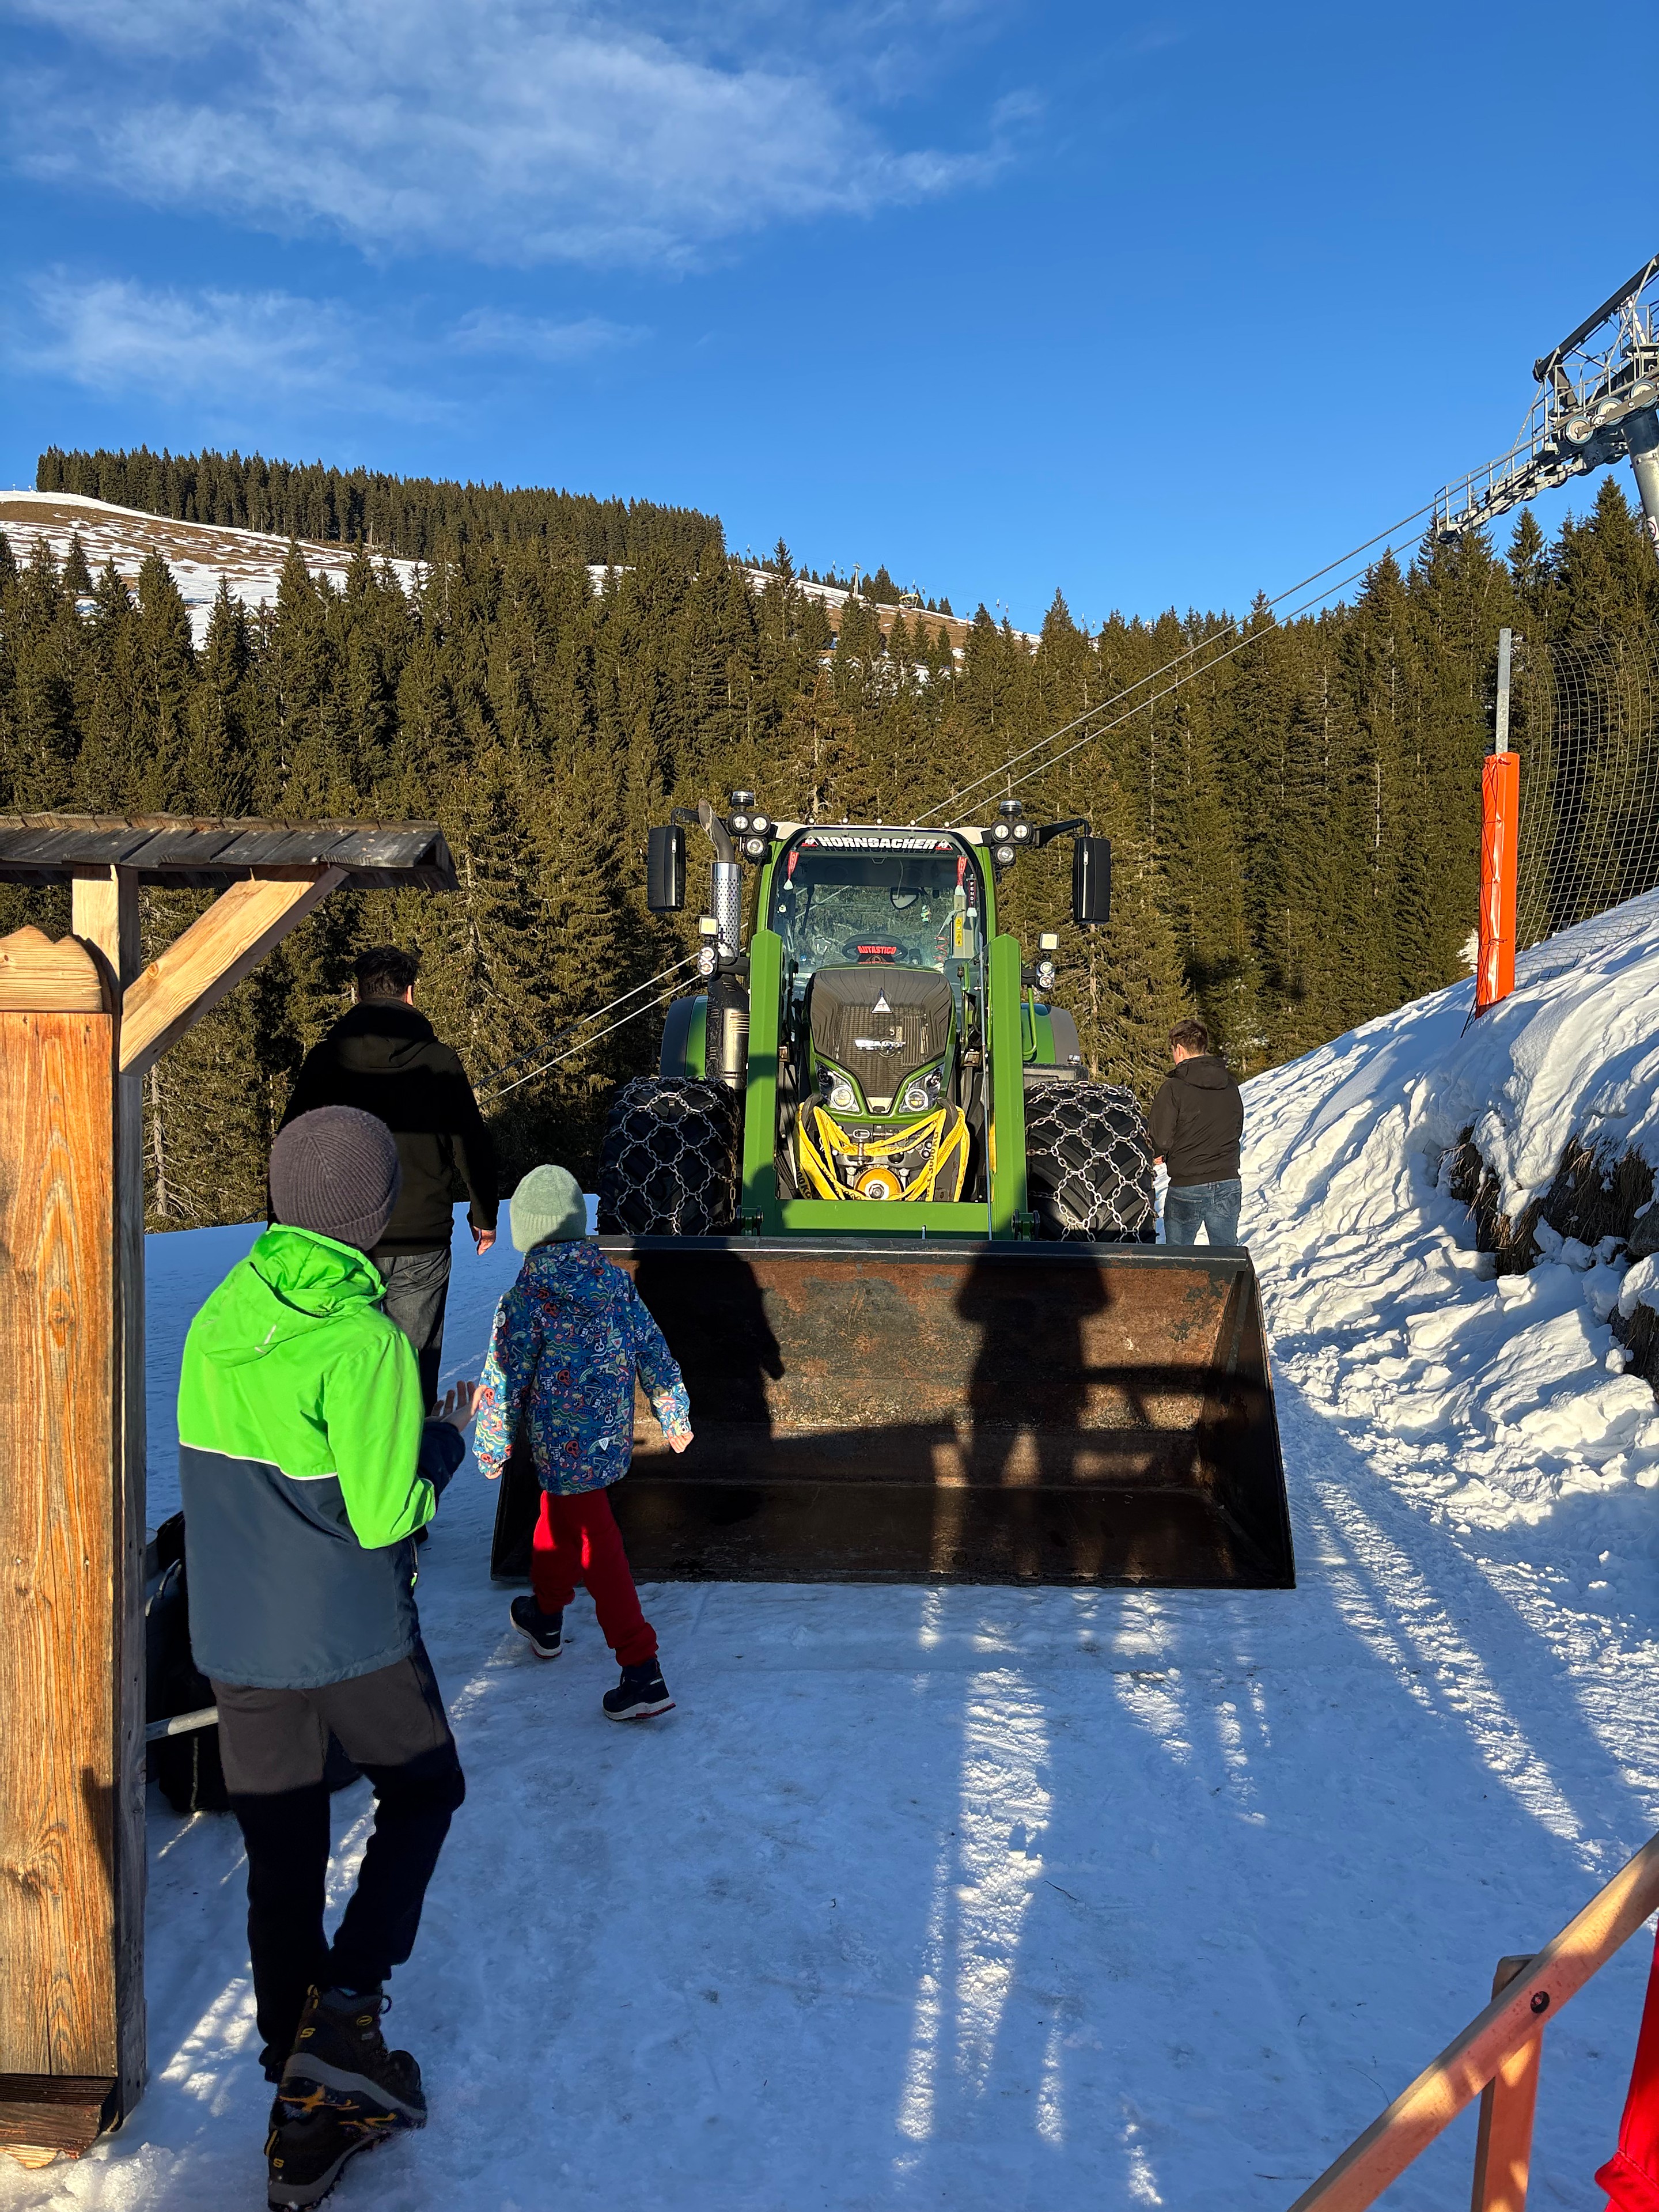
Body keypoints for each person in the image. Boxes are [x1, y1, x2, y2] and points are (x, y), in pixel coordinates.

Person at [176, 1105, 476, 2210]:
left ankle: (294, 2099)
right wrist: (444, 1438)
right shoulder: (366, 1343)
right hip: (352, 1637)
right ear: (376, 1212)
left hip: (237, 1639)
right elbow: (387, 1512)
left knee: (284, 1858)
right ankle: (346, 2013)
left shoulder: (221, 1311)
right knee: (426, 1790)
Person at [473, 1163, 692, 1721]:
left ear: (526, 1232)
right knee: (557, 1517)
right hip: (608, 1440)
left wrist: (493, 1447)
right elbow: (653, 1349)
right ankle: (546, 1617)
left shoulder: (526, 1299)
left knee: (599, 1545)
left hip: (560, 1445)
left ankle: (642, 1669)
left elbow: (503, 1379)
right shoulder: (615, 1284)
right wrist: (673, 1412)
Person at [279, 945, 498, 1411]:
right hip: (421, 1235)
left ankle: (347, 1451)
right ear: (410, 993)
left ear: (357, 994)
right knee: (411, 1371)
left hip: (339, 1239)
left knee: (345, 1365)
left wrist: (281, 1224)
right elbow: (470, 1142)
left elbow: (291, 1144)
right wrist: (484, 1215)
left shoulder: (325, 1061)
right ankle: (412, 1453)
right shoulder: (438, 1060)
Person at [1147, 1018, 1245, 1247]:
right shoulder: (1230, 1084)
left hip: (1187, 1186)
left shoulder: (1173, 1088)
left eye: (1173, 1050)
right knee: (1226, 1256)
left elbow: (1160, 1138)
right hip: (1228, 1181)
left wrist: (1159, 1154)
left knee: (1178, 1257)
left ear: (1180, 1050)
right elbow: (1236, 1127)